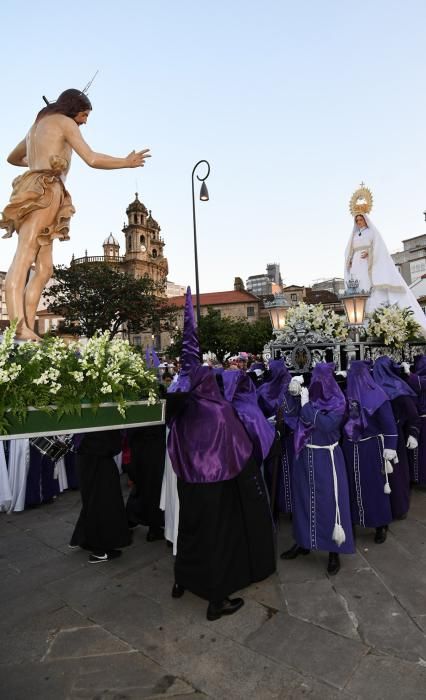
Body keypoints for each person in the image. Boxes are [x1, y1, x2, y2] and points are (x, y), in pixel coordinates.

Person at [1, 88, 150, 341]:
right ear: (73, 109)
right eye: (84, 114)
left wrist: (40, 157)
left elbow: (13, 158)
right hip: (46, 189)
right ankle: (18, 327)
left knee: (45, 269)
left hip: (33, 186)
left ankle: (26, 325)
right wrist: (126, 162)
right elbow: (91, 159)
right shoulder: (66, 122)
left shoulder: (35, 127)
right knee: (24, 256)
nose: (85, 120)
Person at [167, 288, 276, 621]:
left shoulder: (183, 409)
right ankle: (217, 600)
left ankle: (181, 581)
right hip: (217, 484)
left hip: (187, 482)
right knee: (218, 539)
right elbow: (241, 448)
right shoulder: (217, 411)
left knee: (189, 530)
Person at [281, 363, 355, 576]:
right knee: (303, 500)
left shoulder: (339, 401)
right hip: (305, 455)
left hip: (326, 457)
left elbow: (326, 425)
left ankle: (334, 551)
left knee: (330, 502)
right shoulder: (310, 398)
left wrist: (306, 406)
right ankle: (303, 542)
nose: (316, 382)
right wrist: (290, 391)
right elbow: (292, 417)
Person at [344, 209, 426, 336]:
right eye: (357, 220)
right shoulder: (354, 235)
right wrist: (349, 260)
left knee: (370, 289)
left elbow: (379, 248)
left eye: (361, 219)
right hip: (356, 265)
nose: (359, 222)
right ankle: (358, 320)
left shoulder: (372, 232)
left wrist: (370, 252)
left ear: (365, 220)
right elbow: (349, 250)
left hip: (368, 263)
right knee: (358, 289)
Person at [342, 361, 398, 544]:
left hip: (372, 448)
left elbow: (389, 424)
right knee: (353, 485)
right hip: (351, 448)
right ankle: (356, 518)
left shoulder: (378, 396)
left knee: (374, 487)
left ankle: (380, 524)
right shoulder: (347, 395)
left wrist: (390, 447)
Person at [70, 430, 132, 563]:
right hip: (97, 450)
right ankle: (101, 549)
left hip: (88, 450)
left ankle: (85, 539)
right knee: (105, 501)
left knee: (93, 498)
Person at [373, 356, 421, 519]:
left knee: (397, 474)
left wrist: (413, 433)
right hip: (383, 438)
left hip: (395, 437)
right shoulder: (377, 389)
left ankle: (398, 508)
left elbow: (413, 416)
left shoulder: (397, 389)